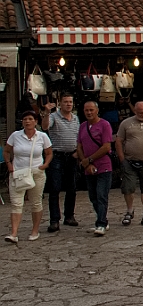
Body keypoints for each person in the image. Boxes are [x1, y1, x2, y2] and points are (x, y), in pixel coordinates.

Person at [4, 110, 53, 243]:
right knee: (16, 203)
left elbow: (49, 152)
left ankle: (35, 230)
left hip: (36, 173)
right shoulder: (15, 135)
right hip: (18, 173)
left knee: (35, 202)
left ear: (35, 121)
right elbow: (7, 150)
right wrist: (9, 164)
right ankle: (14, 233)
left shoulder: (42, 136)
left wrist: (45, 164)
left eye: (30, 119)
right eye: (25, 119)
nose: (27, 121)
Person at [42, 93, 80, 232]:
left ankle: (69, 216)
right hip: (57, 155)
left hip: (72, 156)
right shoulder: (53, 117)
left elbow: (78, 136)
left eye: (70, 102)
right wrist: (46, 112)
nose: (68, 104)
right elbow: (45, 127)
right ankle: (54, 220)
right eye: (65, 102)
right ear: (60, 103)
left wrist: (78, 151)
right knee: (55, 188)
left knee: (72, 188)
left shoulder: (76, 118)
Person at [77, 102, 114, 236]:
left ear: (97, 110)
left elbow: (106, 147)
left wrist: (90, 159)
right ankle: (102, 218)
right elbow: (79, 146)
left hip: (103, 165)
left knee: (101, 194)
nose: (89, 112)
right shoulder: (82, 126)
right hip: (88, 167)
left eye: (91, 110)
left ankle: (101, 224)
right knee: (93, 196)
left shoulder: (104, 125)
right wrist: (85, 163)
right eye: (86, 110)